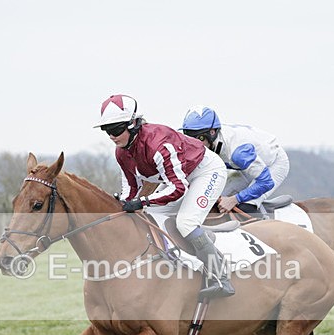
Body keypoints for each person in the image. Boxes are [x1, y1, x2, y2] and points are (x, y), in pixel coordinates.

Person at [94, 94, 234, 299]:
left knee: (186, 222)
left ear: (133, 123)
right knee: (149, 216)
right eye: (107, 131)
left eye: (116, 130)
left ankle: (221, 277)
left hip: (206, 172)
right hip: (181, 176)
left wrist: (142, 201)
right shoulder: (121, 152)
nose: (112, 137)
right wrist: (124, 205)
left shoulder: (158, 144)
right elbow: (131, 188)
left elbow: (177, 188)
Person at [180, 106, 290, 215]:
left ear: (212, 133)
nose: (194, 144)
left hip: (273, 164)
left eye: (200, 138)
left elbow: (266, 182)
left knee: (245, 206)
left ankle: (264, 225)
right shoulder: (209, 142)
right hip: (245, 166)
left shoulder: (238, 152)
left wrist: (235, 199)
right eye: (189, 138)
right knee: (210, 200)